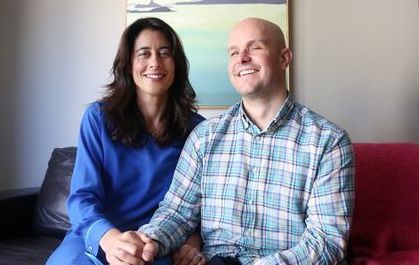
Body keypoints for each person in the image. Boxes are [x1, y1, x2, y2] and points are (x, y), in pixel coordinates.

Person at [136, 17, 355, 265]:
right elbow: (177, 213)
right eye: (234, 52)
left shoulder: (329, 142)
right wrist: (150, 242)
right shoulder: (204, 137)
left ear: (284, 58)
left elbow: (326, 241)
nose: (242, 59)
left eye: (255, 48)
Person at [46, 17, 206, 265]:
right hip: (98, 237)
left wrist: (192, 243)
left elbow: (200, 205)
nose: (155, 62)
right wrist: (110, 240)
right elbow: (82, 198)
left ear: (177, 64)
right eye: (144, 53)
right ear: (129, 63)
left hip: (157, 244)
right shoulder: (97, 118)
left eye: (164, 53)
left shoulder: (198, 130)